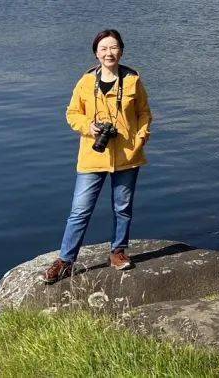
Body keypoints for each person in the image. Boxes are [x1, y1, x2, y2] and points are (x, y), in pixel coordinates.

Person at [42, 29, 152, 284]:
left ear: (121, 51)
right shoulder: (85, 82)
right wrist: (88, 127)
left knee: (122, 208)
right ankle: (66, 261)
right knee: (80, 210)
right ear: (96, 53)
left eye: (113, 48)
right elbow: (72, 114)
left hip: (127, 155)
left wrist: (140, 138)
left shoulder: (133, 81)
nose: (109, 53)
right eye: (103, 49)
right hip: (93, 155)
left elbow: (145, 113)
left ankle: (118, 252)